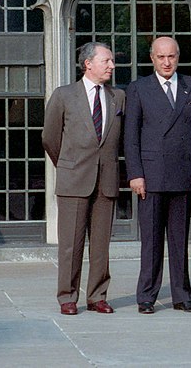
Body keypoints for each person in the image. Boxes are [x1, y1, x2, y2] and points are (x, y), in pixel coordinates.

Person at [123, 37, 191, 315]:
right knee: (151, 241)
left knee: (180, 240)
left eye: (171, 56)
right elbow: (131, 137)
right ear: (152, 58)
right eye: (161, 57)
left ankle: (182, 296)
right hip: (150, 175)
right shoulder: (138, 89)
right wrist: (135, 174)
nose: (167, 62)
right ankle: (146, 296)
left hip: (184, 173)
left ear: (178, 56)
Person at [42, 42, 125, 316]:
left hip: (106, 180)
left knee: (101, 245)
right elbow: (50, 138)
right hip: (73, 179)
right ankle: (67, 297)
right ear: (88, 64)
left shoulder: (118, 97)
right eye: (107, 61)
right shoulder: (64, 95)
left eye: (112, 61)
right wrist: (67, 165)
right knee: (71, 244)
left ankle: (97, 296)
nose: (112, 65)